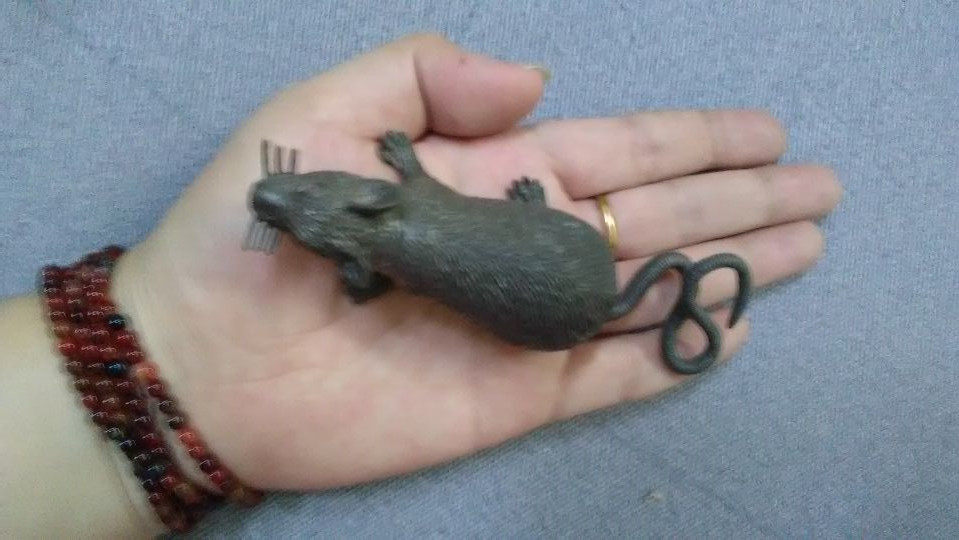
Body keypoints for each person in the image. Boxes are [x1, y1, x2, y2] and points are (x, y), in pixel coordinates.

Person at [0, 33, 841, 537]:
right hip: (567, 274)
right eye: (298, 200)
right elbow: (420, 202)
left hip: (552, 308)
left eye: (300, 196)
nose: (279, 197)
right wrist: (409, 165)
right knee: (520, 247)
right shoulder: (393, 211)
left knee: (504, 259)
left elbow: (373, 276)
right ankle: (548, 239)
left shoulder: (377, 263)